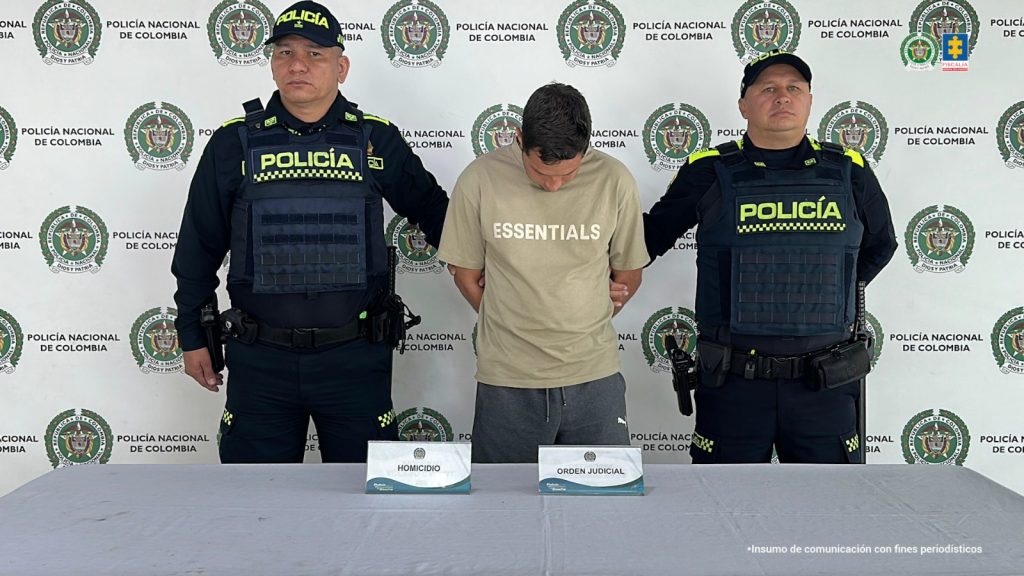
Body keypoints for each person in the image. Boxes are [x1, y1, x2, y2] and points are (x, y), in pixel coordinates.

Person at [171, 1, 448, 464]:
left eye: (314, 53)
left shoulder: (376, 140)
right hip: (260, 362)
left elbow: (439, 216)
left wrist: (499, 277)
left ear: (341, 67)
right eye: (284, 52)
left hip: (355, 360)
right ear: (273, 63)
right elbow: (198, 247)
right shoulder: (233, 143)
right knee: (258, 509)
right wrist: (191, 335)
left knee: (367, 507)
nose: (297, 64)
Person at [639, 50, 897, 464]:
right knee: (724, 512)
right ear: (744, 103)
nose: (783, 97)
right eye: (769, 88)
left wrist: (824, 286)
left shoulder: (849, 170)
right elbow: (647, 242)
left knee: (831, 515)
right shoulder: (709, 170)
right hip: (734, 384)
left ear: (810, 101)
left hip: (824, 384)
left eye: (794, 88)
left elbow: (881, 245)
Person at [437, 83, 649, 463]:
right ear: (519, 139)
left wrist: (583, 311)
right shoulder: (480, 179)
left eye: (568, 175)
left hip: (594, 375)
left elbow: (628, 274)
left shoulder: (614, 179)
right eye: (539, 171)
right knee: (503, 508)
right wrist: (514, 312)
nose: (553, 185)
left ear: (586, 147)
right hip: (508, 380)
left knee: (604, 509)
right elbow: (466, 274)